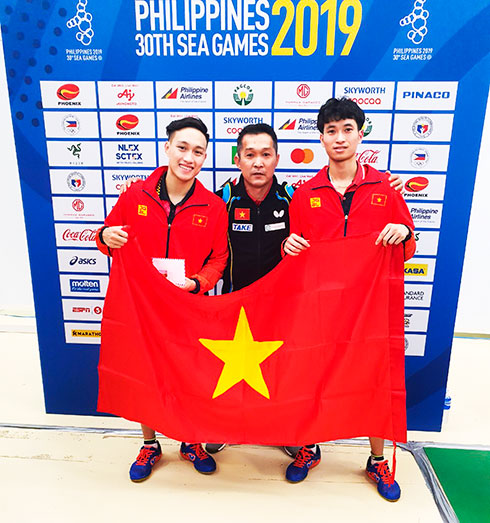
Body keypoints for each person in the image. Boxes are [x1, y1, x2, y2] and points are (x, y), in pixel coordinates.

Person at [283, 97, 415, 501]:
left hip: (369, 310)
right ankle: (309, 445)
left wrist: (403, 233)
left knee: (374, 380)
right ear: (321, 137)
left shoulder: (384, 187)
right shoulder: (305, 194)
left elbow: (407, 247)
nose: (339, 138)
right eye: (331, 130)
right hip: (321, 310)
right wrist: (289, 245)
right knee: (312, 377)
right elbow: (299, 257)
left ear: (361, 133)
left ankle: (376, 460)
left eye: (347, 129)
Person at [96, 117, 229, 481]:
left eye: (198, 151)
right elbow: (107, 236)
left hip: (187, 306)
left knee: (189, 374)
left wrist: (198, 283)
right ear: (167, 147)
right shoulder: (134, 195)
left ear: (204, 158)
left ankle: (190, 440)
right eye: (182, 148)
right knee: (145, 374)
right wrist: (106, 235)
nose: (189, 157)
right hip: (142, 306)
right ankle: (150, 443)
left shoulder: (213, 207)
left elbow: (219, 259)